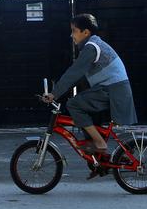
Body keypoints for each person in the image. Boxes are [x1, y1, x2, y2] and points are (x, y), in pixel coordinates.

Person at [42, 13, 137, 154]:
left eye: (74, 31)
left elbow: (74, 73)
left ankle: (99, 143)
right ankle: (98, 157)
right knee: (82, 104)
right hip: (112, 90)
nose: (71, 35)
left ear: (85, 32)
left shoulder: (91, 47)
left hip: (113, 91)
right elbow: (78, 76)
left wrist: (54, 94)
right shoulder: (95, 44)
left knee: (73, 104)